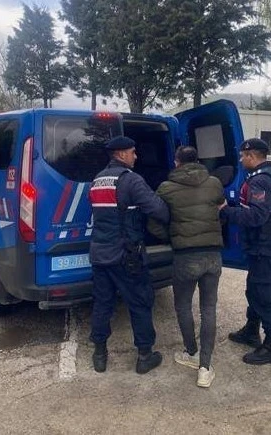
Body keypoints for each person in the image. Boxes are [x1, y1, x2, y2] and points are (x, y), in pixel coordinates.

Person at [89, 135, 169, 374]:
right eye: (133, 152)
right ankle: (145, 356)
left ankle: (100, 354)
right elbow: (158, 210)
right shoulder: (131, 180)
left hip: (99, 253)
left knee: (102, 304)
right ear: (122, 154)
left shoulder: (97, 180)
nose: (136, 156)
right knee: (139, 302)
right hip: (126, 255)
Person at [148, 146, 225, 388]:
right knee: (208, 308)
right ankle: (205, 367)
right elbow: (221, 210)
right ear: (198, 160)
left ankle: (191, 352)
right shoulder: (214, 183)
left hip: (185, 256)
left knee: (183, 305)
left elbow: (153, 223)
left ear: (176, 162)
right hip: (212, 254)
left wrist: (172, 237)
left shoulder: (166, 187)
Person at [220, 138, 271, 365]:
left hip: (265, 247)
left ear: (251, 156)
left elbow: (256, 216)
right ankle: (251, 330)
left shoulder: (260, 181)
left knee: (265, 295)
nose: (241, 160)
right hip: (267, 243)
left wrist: (226, 211)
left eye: (243, 156)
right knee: (254, 289)